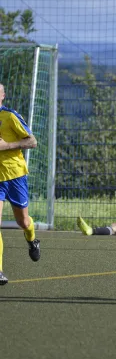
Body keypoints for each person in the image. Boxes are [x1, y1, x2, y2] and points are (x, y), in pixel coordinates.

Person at [0, 84, 41, 285]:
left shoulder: (10, 116)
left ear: (3, 96)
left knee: (23, 222)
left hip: (15, 176)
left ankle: (32, 240)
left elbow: (32, 141)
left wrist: (7, 146)